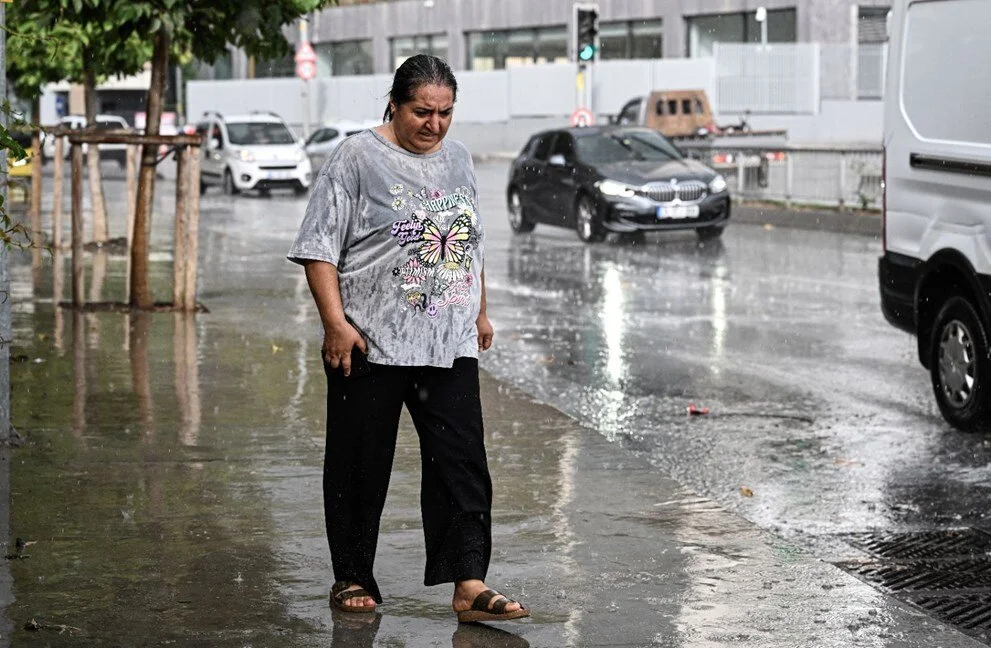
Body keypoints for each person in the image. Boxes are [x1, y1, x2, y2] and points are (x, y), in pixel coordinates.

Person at [287, 54, 529, 624]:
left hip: (448, 341)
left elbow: (470, 243)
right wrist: (335, 324)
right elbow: (319, 246)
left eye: (445, 112)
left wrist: (481, 313)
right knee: (359, 463)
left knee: (462, 463)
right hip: (369, 341)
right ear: (393, 104)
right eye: (423, 111)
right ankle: (352, 574)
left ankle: (469, 583)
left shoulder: (460, 159)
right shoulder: (355, 157)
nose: (435, 124)